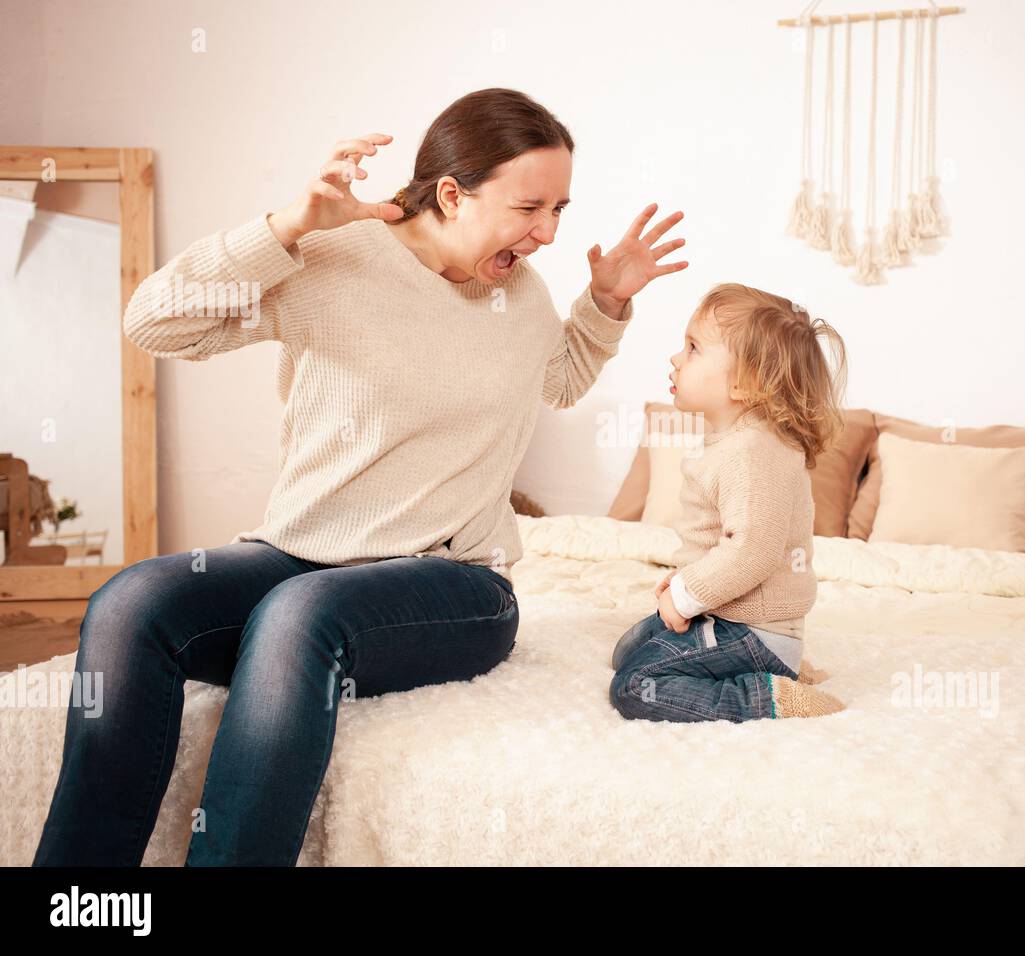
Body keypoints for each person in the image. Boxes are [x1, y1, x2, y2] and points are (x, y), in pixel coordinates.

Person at [32, 87, 687, 866]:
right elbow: (156, 321)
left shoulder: (518, 290)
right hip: (299, 552)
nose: (546, 233)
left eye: (559, 210)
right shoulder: (331, 258)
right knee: (131, 603)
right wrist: (286, 227)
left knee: (300, 616)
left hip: (455, 582)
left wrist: (606, 301)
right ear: (452, 193)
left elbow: (560, 379)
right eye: (529, 207)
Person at [609, 283, 846, 722]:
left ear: (746, 382)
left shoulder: (753, 451)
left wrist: (685, 595)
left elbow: (753, 549)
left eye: (694, 348)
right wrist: (688, 585)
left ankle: (768, 695)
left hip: (750, 629)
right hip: (724, 614)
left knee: (634, 687)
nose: (675, 358)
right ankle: (774, 668)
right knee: (627, 650)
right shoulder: (733, 441)